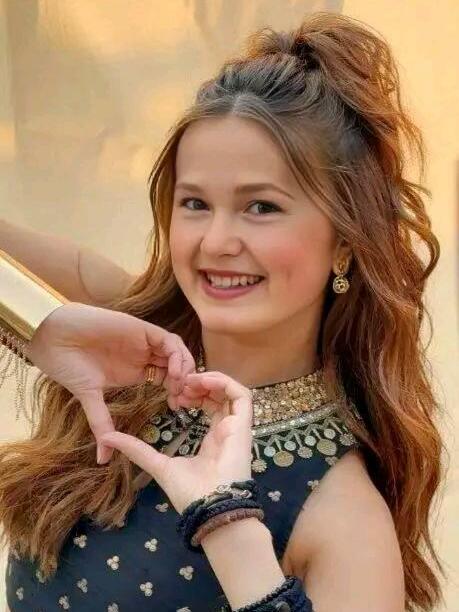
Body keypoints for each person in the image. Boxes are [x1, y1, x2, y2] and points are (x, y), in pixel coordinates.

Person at [0, 11, 448, 612]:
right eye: (194, 203)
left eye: (261, 207)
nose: (215, 242)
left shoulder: (345, 520)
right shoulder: (123, 334)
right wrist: (40, 326)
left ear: (345, 239)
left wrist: (230, 530)